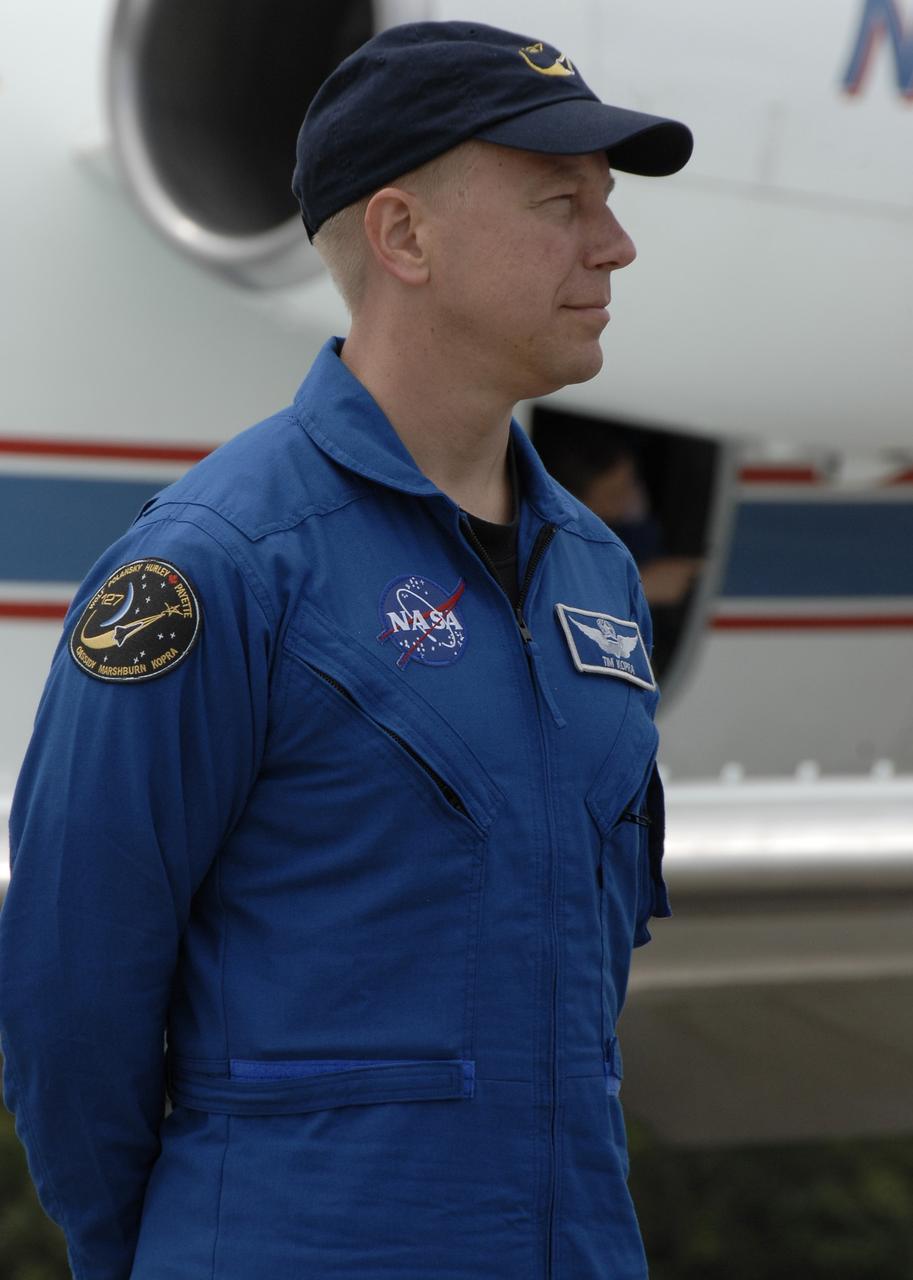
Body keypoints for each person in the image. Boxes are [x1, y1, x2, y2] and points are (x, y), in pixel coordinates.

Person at [0, 21, 691, 1280]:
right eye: (560, 203)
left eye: (607, 202)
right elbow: (71, 992)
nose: (614, 244)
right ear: (402, 236)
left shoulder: (594, 575)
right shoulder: (215, 568)